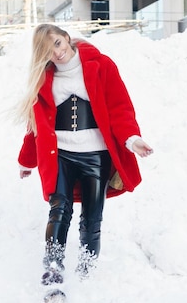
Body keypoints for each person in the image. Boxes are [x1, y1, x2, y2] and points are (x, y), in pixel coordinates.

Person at [17, 24, 153, 283]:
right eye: (48, 50)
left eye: (57, 43)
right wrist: (27, 159)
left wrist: (131, 138)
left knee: (92, 219)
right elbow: (35, 124)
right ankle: (53, 273)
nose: (57, 53)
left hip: (96, 155)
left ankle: (85, 275)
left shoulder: (100, 65)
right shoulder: (44, 77)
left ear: (66, 38)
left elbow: (120, 107)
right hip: (60, 155)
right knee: (59, 210)